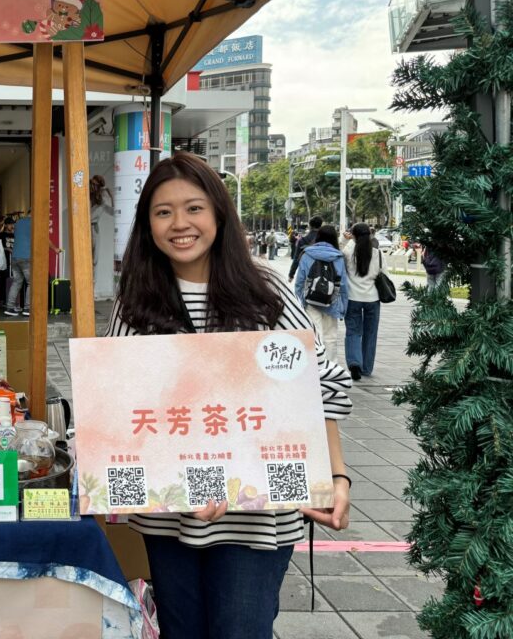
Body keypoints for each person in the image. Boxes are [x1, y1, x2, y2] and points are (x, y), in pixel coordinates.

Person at [107, 153, 352, 638]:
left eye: (193, 208)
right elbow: (119, 409)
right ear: (147, 224)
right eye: (163, 212)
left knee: (241, 629)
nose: (180, 224)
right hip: (171, 520)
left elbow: (320, 388)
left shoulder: (267, 290)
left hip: (257, 522)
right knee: (182, 631)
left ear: (218, 212)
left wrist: (337, 476)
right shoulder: (135, 302)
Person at [293, 225, 348, 355]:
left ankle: (316, 366)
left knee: (314, 335)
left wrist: (301, 302)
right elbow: (344, 285)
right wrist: (343, 307)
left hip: (311, 301)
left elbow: (299, 282)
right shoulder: (339, 257)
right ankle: (331, 367)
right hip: (332, 301)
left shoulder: (307, 254)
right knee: (331, 337)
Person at [342, 222, 386, 381]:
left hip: (352, 298)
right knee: (370, 333)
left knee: (353, 331)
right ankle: (366, 368)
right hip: (372, 299)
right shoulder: (378, 254)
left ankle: (354, 363)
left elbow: (339, 250)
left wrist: (345, 239)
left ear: (353, 235)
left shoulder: (348, 252)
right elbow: (384, 275)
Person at [5, 215, 32, 316]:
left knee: (16, 282)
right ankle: (27, 309)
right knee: (31, 283)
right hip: (25, 257)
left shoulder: (18, 223)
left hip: (15, 256)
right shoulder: (35, 223)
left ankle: (10, 307)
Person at [89, 175, 114, 267]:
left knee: (94, 259)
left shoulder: (102, 202)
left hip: (94, 229)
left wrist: (111, 196)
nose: (92, 186)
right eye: (91, 184)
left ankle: (93, 281)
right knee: (85, 257)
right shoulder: (85, 197)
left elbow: (112, 212)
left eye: (95, 185)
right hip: (83, 229)